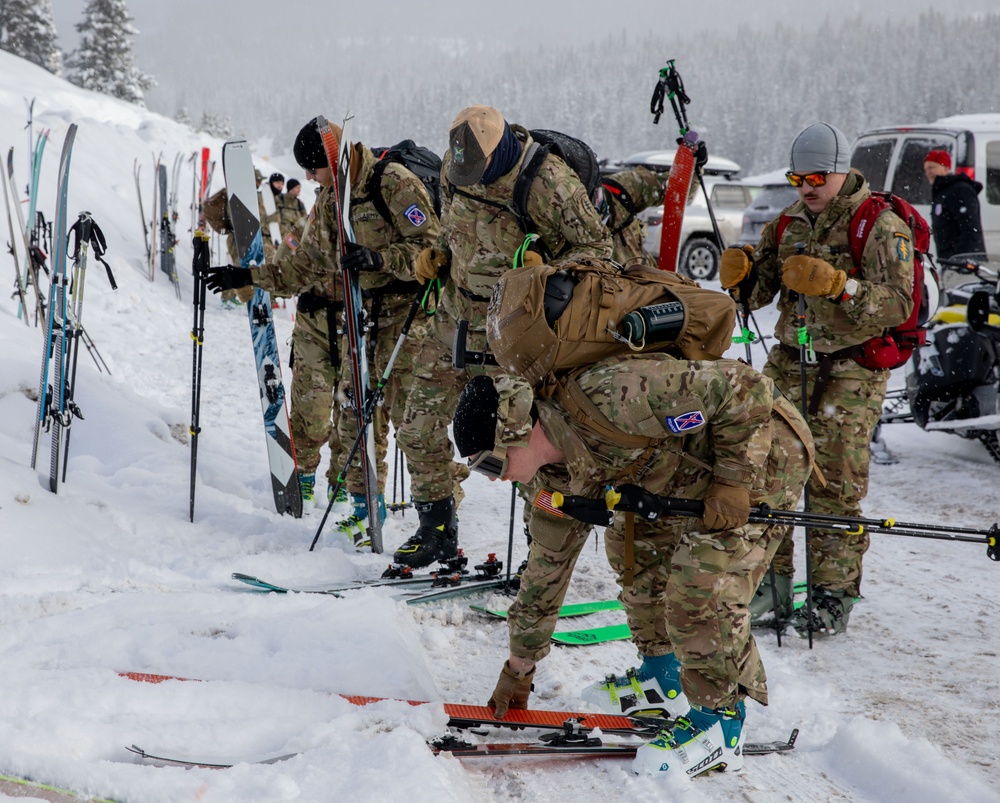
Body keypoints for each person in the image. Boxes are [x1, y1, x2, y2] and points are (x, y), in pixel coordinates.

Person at [451, 353, 813, 780]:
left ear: (515, 434)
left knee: (699, 587)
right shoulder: (552, 477)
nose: (493, 478)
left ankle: (720, 723)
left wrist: (733, 482)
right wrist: (520, 666)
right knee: (632, 548)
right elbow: (547, 567)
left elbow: (746, 387)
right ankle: (663, 676)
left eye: (490, 463)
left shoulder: (612, 394)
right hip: (680, 475)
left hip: (761, 456)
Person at [393, 104, 613, 568]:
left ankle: (543, 549)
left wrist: (551, 273)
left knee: (521, 443)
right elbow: (455, 232)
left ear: (500, 149)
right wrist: (435, 256)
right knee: (416, 424)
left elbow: (598, 251)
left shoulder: (546, 181)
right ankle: (436, 526)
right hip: (454, 316)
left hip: (517, 327)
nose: (467, 176)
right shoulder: (456, 169)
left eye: (478, 168)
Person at [720, 122, 915, 637]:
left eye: (816, 177)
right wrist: (741, 277)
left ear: (842, 171)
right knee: (764, 472)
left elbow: (899, 304)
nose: (806, 187)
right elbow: (759, 292)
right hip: (789, 361)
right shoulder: (786, 223)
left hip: (850, 368)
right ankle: (773, 585)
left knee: (833, 487)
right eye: (796, 177)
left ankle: (832, 595)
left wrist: (841, 286)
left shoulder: (879, 225)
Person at [205, 118, 440, 539]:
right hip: (360, 318)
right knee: (354, 414)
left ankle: (440, 517)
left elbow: (433, 250)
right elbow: (304, 266)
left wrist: (380, 259)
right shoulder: (332, 199)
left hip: (407, 317)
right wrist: (246, 277)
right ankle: (365, 506)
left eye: (313, 169)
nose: (310, 178)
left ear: (331, 159)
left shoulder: (394, 184)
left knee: (409, 421)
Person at [923, 149, 986, 261]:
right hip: (949, 261)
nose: (928, 172)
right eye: (926, 169)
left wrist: (961, 260)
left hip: (964, 262)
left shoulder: (960, 190)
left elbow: (970, 229)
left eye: (932, 167)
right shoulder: (941, 193)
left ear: (946, 168)